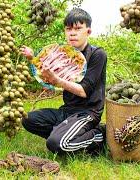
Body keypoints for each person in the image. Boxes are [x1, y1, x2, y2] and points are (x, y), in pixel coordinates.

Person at [20, 8, 107, 155]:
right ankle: (64, 134)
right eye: (68, 29)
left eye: (78, 28)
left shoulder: (97, 54)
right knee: (28, 119)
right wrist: (32, 58)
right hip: (67, 110)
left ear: (88, 32)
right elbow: (47, 69)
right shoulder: (65, 52)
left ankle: (99, 135)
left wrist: (57, 80)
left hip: (87, 112)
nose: (72, 33)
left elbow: (83, 91)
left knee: (57, 145)